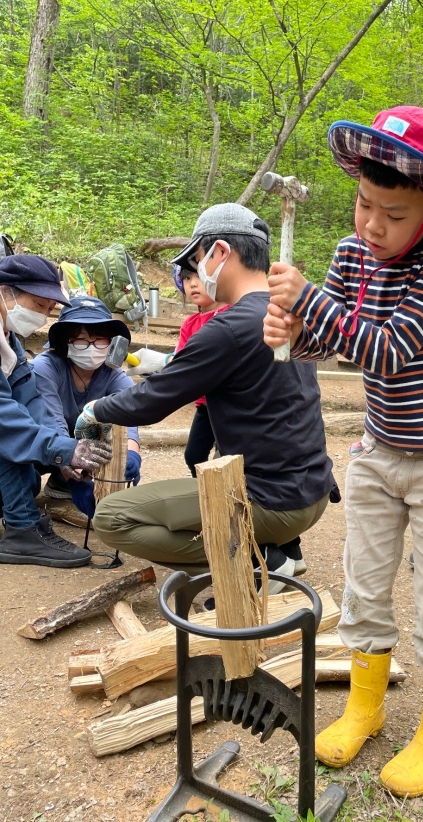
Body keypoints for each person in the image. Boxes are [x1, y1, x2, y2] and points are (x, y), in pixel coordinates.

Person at [263, 106, 423, 797]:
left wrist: (310, 302)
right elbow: (330, 340)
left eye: (393, 214)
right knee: (363, 585)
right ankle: (365, 707)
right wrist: (293, 329)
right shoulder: (351, 254)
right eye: (363, 204)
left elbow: (385, 353)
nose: (371, 225)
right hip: (379, 449)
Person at [77, 203, 336, 593]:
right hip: (313, 490)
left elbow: (152, 401)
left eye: (197, 261)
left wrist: (95, 409)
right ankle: (276, 553)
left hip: (272, 502)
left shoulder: (228, 327)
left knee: (113, 517)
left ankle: (258, 560)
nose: (196, 273)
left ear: (220, 252)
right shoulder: (284, 314)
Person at [0, 255, 112, 568]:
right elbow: (4, 418)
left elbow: (30, 400)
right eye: (38, 304)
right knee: (10, 441)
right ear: (4, 291)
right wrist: (64, 449)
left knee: (29, 457)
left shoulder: (9, 340)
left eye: (49, 309)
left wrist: (64, 453)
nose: (41, 315)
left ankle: (24, 523)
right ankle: (22, 531)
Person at [32, 296, 142, 528]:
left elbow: (128, 419)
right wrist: (75, 479)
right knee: (25, 484)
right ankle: (64, 479)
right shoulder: (45, 368)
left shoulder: (115, 377)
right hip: (42, 445)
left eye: (99, 340)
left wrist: (131, 455)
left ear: (111, 343)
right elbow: (52, 424)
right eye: (81, 340)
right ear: (65, 342)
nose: (91, 347)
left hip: (83, 449)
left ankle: (61, 482)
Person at [172, 264, 229, 476]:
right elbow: (181, 361)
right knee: (193, 455)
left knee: (226, 455)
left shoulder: (231, 314)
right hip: (205, 405)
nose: (193, 284)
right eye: (187, 279)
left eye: (199, 277)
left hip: (231, 403)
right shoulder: (190, 324)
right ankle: (202, 489)